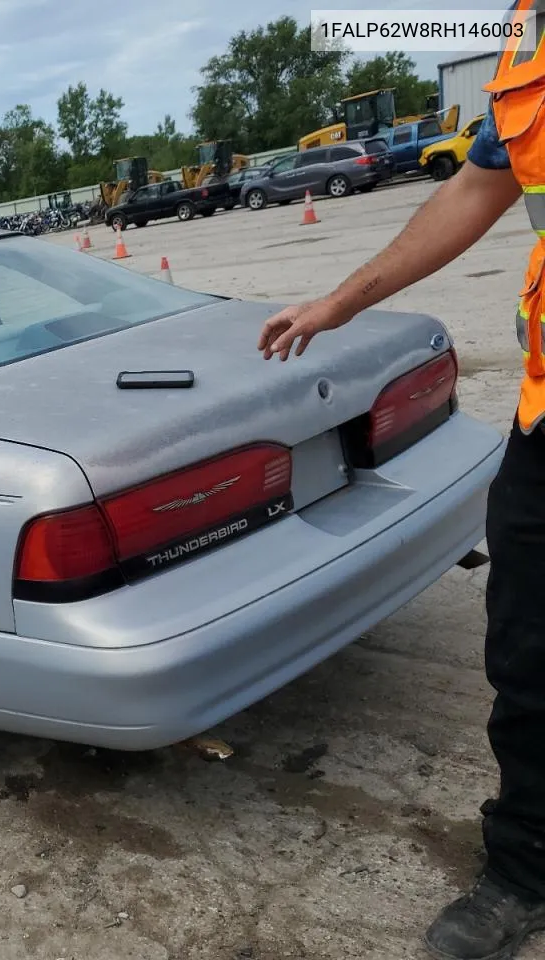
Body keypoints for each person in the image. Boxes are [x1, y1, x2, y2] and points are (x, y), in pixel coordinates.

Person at [257, 3, 545, 957]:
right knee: (528, 651)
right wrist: (342, 301)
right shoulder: (525, 33)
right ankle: (526, 871)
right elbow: (478, 188)